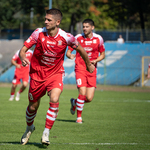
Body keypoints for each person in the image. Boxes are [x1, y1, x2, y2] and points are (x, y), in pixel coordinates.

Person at [19, 8, 95, 146]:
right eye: (45, 19)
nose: (45, 21)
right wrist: (23, 57)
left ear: (57, 22)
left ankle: (46, 133)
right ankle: (29, 128)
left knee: (54, 98)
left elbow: (81, 49)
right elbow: (23, 50)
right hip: (37, 75)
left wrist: (88, 64)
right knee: (32, 107)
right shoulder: (38, 33)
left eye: (49, 20)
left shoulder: (66, 37)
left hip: (55, 74)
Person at [66, 19, 105, 124]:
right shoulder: (78, 38)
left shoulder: (98, 39)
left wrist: (95, 60)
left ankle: (74, 102)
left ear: (92, 27)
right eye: (83, 27)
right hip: (80, 68)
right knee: (82, 93)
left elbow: (102, 54)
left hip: (92, 70)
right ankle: (79, 118)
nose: (84, 29)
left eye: (87, 27)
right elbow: (68, 52)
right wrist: (70, 55)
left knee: (89, 98)